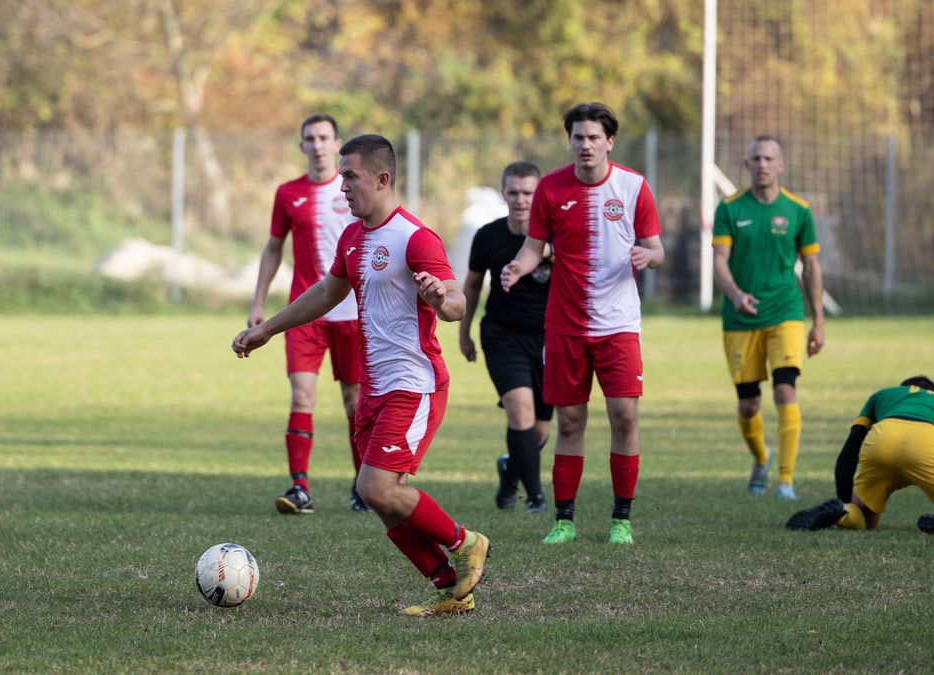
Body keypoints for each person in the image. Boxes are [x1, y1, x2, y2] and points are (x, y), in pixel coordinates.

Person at [233, 134, 490, 617]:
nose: (342, 186)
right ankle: (450, 588)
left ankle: (467, 541)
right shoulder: (353, 237)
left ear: (382, 178)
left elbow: (455, 303)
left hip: (413, 385)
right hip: (375, 387)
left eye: (350, 176)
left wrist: (440, 297)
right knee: (382, 500)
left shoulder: (415, 236)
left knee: (375, 487)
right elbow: (326, 293)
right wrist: (267, 328)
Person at [501, 102, 664, 546]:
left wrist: (646, 256)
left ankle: (621, 519)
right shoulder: (551, 190)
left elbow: (657, 248)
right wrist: (518, 266)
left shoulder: (633, 187)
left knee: (624, 416)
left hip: (619, 325)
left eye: (594, 137)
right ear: (569, 140)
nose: (585, 144)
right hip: (566, 326)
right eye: (578, 137)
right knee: (570, 422)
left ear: (610, 141)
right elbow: (534, 247)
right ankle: (565, 520)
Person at [248, 113, 365, 515]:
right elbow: (273, 248)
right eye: (309, 139)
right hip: (304, 313)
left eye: (323, 137)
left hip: (351, 312)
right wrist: (259, 302)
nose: (316, 145)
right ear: (301, 146)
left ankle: (361, 485)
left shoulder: (354, 191)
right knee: (302, 394)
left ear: (337, 144)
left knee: (354, 400)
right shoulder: (287, 193)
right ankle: (300, 487)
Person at [711, 134, 824, 501]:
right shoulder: (729, 209)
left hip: (786, 313)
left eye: (768, 159)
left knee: (785, 389)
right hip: (741, 319)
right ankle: (761, 458)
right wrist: (736, 294)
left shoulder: (798, 210)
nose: (762, 165)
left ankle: (786, 480)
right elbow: (720, 262)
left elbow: (811, 266)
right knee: (749, 404)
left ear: (781, 165)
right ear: (747, 165)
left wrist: (818, 321)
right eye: (755, 159)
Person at [785, 375, 934, 536]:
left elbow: (848, 454)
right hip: (925, 443)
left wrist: (843, 499)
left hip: (881, 439)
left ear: (904, 388)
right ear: (933, 392)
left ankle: (842, 512)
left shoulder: (884, 396)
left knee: (864, 520)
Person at [459, 161, 553, 514]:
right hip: (502, 334)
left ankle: (510, 469)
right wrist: (464, 332)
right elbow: (471, 284)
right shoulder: (488, 235)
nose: (520, 200)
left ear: (539, 194)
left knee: (540, 430)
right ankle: (536, 498)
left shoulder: (555, 235)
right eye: (513, 192)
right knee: (520, 410)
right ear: (503, 194)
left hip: (548, 340)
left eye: (528, 192)